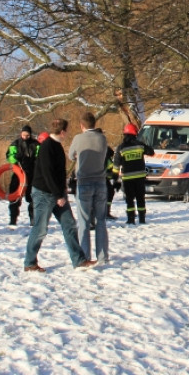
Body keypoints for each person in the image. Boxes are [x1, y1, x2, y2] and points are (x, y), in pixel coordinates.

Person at [24, 119, 93, 272]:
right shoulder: (47, 147)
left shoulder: (57, 145)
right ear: (62, 132)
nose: (67, 134)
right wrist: (58, 195)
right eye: (67, 131)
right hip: (44, 193)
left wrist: (62, 190)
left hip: (57, 193)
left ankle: (79, 260)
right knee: (40, 228)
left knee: (69, 224)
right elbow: (48, 174)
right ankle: (29, 263)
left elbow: (59, 172)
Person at [69, 112, 110, 264]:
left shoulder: (78, 138)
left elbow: (70, 155)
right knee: (101, 220)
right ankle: (102, 256)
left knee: (84, 221)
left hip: (84, 181)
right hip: (100, 181)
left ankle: (85, 256)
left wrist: (78, 156)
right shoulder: (102, 138)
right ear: (94, 123)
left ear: (82, 125)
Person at [114, 122, 155, 224]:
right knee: (140, 198)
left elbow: (116, 165)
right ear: (135, 133)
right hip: (140, 177)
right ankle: (142, 219)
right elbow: (151, 152)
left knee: (129, 199)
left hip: (127, 178)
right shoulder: (140, 145)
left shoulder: (121, 148)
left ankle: (131, 219)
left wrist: (115, 178)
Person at [6, 125, 38, 225]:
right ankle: (13, 219)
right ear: (21, 134)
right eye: (24, 135)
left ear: (30, 135)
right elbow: (9, 156)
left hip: (31, 174)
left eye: (27, 135)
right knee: (14, 197)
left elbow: (40, 157)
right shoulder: (15, 144)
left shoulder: (36, 144)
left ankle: (33, 218)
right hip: (18, 173)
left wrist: (35, 161)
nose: (25, 137)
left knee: (33, 197)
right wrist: (15, 158)